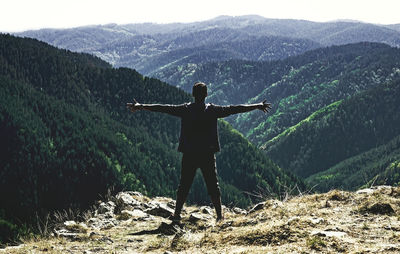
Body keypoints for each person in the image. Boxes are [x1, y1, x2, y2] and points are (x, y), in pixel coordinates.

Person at [127, 82, 271, 222]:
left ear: (193, 94)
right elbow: (236, 108)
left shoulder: (185, 109)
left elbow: (163, 108)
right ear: (206, 94)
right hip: (207, 154)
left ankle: (177, 215)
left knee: (184, 185)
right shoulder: (213, 110)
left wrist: (142, 106)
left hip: (189, 153)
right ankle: (220, 216)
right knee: (213, 185)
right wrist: (257, 105)